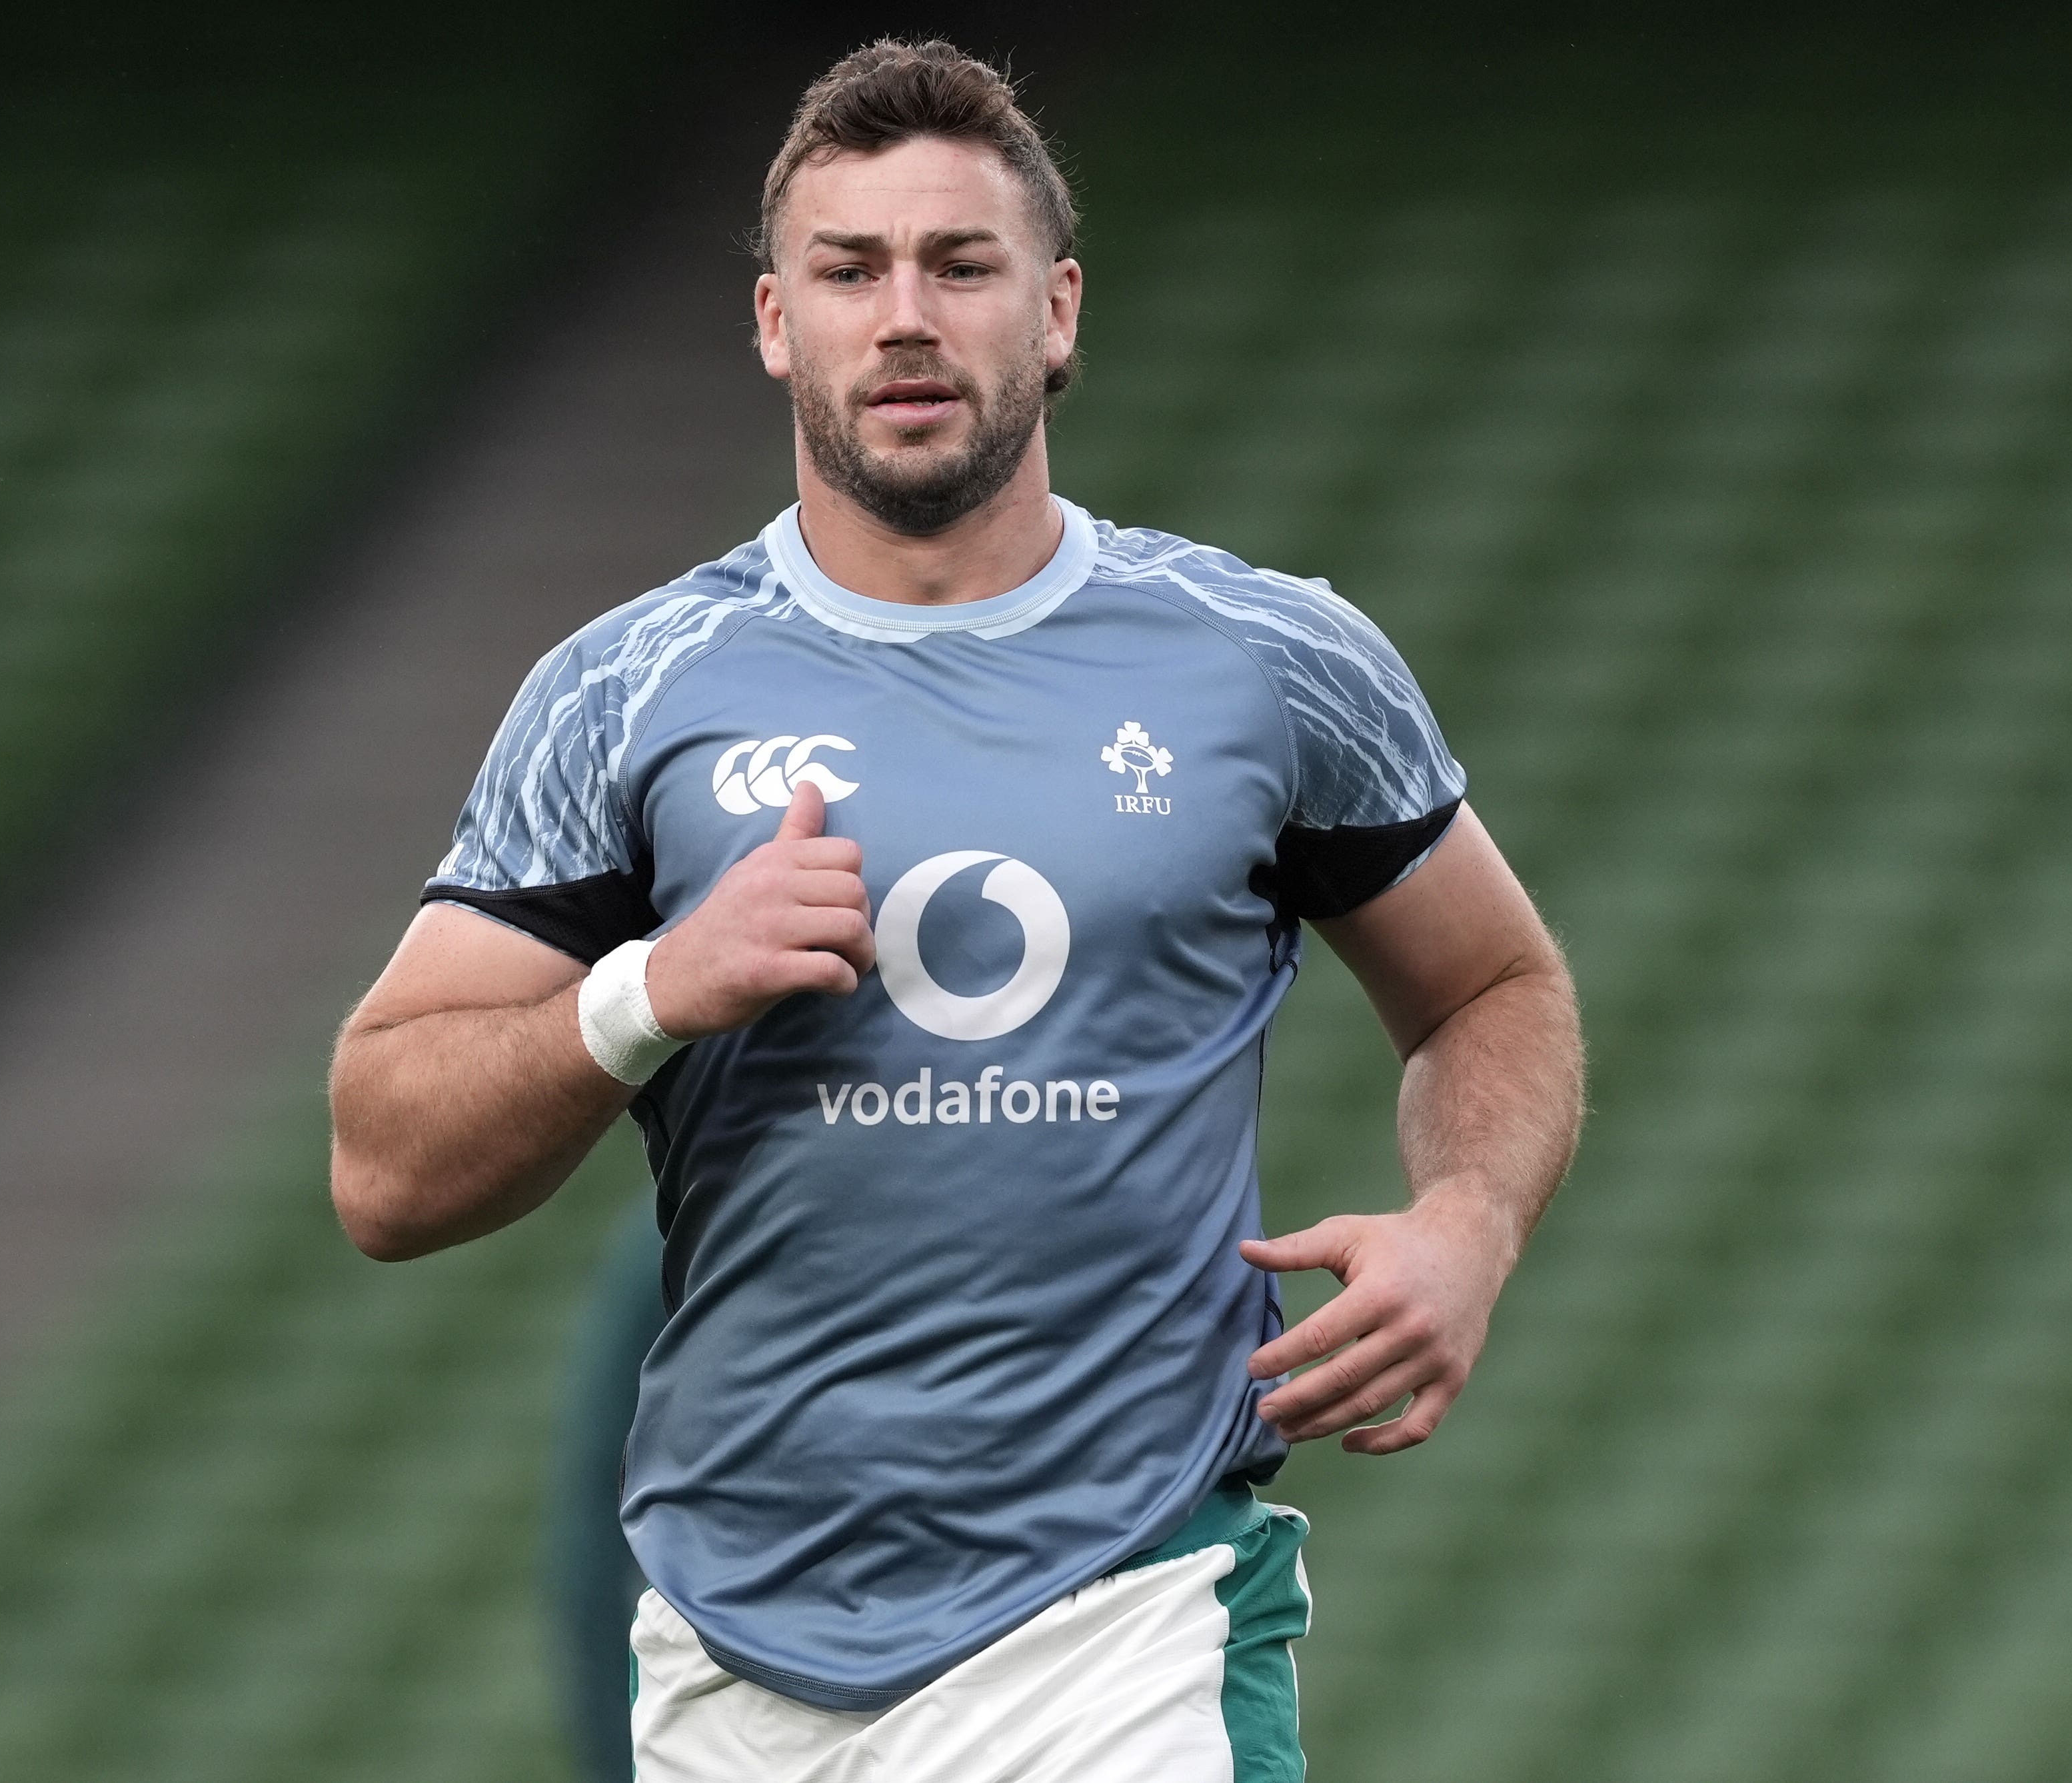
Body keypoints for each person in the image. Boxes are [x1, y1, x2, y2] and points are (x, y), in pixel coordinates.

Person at [329, 38, 1584, 1782]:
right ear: (776, 322)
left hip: (1121, 1625)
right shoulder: (621, 692)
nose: (903, 315)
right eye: (848, 270)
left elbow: (1493, 985)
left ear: (1055, 310)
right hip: (730, 1650)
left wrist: (1469, 1218)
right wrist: (650, 988)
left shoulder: (1268, 658)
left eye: (958, 264)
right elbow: (382, 1166)